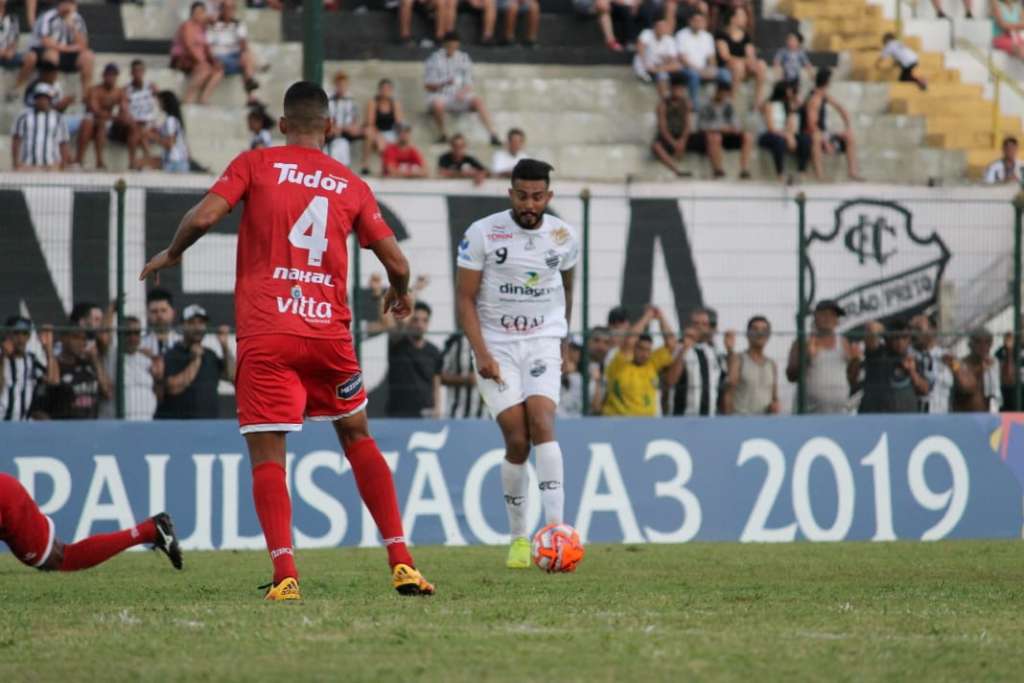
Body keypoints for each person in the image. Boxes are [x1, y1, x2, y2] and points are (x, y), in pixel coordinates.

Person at [139, 80, 435, 600]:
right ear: (330, 127)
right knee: (357, 437)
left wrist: (174, 251)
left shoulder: (256, 164)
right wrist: (400, 290)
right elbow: (397, 261)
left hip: (268, 331)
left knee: (268, 453)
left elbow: (205, 215)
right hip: (328, 334)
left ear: (281, 125)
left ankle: (286, 575)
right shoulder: (350, 183)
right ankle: (403, 563)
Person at [456, 158, 578, 569]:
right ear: (511, 194)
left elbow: (567, 286)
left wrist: (563, 340)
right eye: (522, 196)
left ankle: (557, 532)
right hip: (497, 345)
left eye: (537, 197)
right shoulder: (483, 233)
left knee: (543, 421)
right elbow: (464, 299)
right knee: (518, 440)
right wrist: (482, 353)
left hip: (542, 340)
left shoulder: (563, 236)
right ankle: (519, 538)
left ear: (548, 196)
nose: (530, 204)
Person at [0, 472, 182, 572]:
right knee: (59, 558)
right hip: (5, 487)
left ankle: (148, 531)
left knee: (58, 560)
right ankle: (150, 530)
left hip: (5, 497)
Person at [154, 304, 234, 419]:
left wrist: (225, 347)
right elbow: (173, 388)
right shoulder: (171, 355)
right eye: (192, 323)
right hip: (178, 424)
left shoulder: (210, 355)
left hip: (209, 424)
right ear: (182, 326)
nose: (197, 327)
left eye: (201, 323)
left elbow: (232, 376)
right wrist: (195, 361)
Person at [424, 32, 501, 146]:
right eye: (449, 46)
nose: (452, 49)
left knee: (478, 101)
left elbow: (469, 82)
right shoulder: (434, 59)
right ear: (444, 45)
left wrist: (463, 92)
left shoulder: (464, 58)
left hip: (459, 96)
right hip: (440, 95)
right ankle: (443, 134)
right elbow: (428, 86)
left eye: (454, 46)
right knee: (437, 104)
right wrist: (444, 83)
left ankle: (493, 134)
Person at [602, 305, 677, 416]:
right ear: (633, 348)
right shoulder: (618, 361)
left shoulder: (651, 363)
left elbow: (671, 344)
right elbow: (629, 341)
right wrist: (647, 316)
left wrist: (661, 317)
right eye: (640, 349)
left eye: (648, 350)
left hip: (648, 422)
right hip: (619, 421)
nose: (645, 354)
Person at [786, 299, 854, 414]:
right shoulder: (802, 342)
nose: (828, 318)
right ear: (815, 317)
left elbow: (852, 378)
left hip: (839, 414)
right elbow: (791, 376)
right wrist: (807, 358)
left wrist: (856, 361)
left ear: (837, 321)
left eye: (833, 315)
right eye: (824, 314)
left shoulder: (844, 343)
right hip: (809, 415)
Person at [35, 320, 111, 420]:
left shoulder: (90, 365)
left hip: (91, 426)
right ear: (63, 339)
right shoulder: (54, 366)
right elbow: (38, 410)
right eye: (76, 338)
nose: (81, 343)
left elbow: (107, 392)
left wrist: (95, 360)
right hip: (65, 426)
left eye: (84, 339)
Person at [851, 319, 929, 414]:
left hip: (907, 419)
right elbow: (872, 327)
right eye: (896, 337)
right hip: (876, 418)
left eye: (904, 337)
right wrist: (887, 331)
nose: (900, 342)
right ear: (888, 339)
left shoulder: (913, 358)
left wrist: (912, 372)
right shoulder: (877, 354)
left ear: (909, 339)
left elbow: (925, 389)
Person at [18, 0, 94, 95]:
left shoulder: (77, 19)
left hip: (67, 53)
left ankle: (86, 95)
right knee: (52, 55)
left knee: (88, 56)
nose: (67, 6)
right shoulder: (48, 17)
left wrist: (73, 28)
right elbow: (46, 42)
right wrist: (69, 48)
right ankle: (47, 92)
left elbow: (84, 44)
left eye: (70, 3)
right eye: (65, 3)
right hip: (45, 51)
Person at [383, 301, 443, 418]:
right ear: (409, 321)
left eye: (424, 320)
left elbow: (436, 382)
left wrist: (437, 408)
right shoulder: (396, 344)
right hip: (398, 414)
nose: (420, 325)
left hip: (426, 413)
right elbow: (390, 323)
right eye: (415, 320)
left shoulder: (434, 351)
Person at [803, 67, 863, 181]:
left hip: (822, 132)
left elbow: (841, 109)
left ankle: (852, 172)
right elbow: (812, 125)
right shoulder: (814, 99)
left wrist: (847, 127)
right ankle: (820, 175)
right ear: (827, 82)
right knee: (817, 137)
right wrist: (825, 141)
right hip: (812, 133)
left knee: (849, 137)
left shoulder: (824, 96)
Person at [98, 315, 161, 421]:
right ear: (119, 334)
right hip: (117, 425)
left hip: (145, 423)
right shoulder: (111, 354)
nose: (133, 338)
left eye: (136, 333)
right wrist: (112, 308)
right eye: (128, 333)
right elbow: (102, 337)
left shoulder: (145, 359)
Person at [692, 81, 753, 179]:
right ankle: (718, 170)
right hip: (709, 137)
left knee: (748, 136)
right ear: (717, 92)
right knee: (716, 137)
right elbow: (701, 125)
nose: (724, 95)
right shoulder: (706, 105)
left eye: (726, 93)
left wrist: (733, 128)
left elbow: (736, 122)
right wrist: (719, 128)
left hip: (727, 136)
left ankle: (744, 170)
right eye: (722, 92)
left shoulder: (728, 106)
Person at [667, 307, 720, 416]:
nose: (699, 327)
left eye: (704, 324)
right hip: (683, 417)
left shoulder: (714, 352)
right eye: (696, 323)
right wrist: (684, 349)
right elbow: (670, 380)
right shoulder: (679, 348)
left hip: (709, 418)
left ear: (709, 327)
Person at [1, 316, 55, 421]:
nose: (21, 339)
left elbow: (51, 380)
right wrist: (2, 359)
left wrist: (48, 349)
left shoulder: (31, 360)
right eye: (16, 333)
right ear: (7, 335)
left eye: (25, 333)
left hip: (23, 423)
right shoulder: (2, 359)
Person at [723, 315, 779, 415]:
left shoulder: (771, 364)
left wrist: (775, 406)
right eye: (755, 329)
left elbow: (774, 397)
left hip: (765, 421)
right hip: (741, 420)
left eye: (764, 330)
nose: (760, 333)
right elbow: (729, 392)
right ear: (748, 334)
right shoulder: (738, 359)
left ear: (768, 335)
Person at [170, 1, 224, 105]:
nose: (199, 15)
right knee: (205, 68)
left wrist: (214, 62)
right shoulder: (187, 26)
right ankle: (187, 98)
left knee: (219, 70)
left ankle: (204, 98)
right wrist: (201, 61)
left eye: (202, 12)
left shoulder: (203, 28)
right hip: (184, 59)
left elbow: (207, 48)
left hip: (198, 60)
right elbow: (188, 46)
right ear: (192, 13)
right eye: (197, 12)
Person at [205, 0, 260, 97]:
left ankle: (251, 94)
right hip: (219, 57)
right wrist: (214, 61)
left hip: (234, 56)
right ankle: (204, 98)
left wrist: (243, 53)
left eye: (232, 8)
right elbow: (208, 46)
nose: (229, 11)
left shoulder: (238, 24)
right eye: (227, 8)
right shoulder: (213, 25)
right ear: (222, 9)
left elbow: (243, 43)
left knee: (246, 58)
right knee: (220, 70)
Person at [11, 84, 70, 171]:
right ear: (34, 99)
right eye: (39, 97)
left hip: (51, 166)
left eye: (45, 98)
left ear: (50, 100)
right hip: (27, 166)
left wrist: (63, 165)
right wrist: (16, 163)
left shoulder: (58, 118)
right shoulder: (23, 116)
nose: (42, 101)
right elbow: (16, 140)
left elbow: (63, 142)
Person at [757, 80, 807, 181]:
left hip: (783, 133)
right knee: (779, 141)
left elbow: (791, 124)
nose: (790, 92)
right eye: (788, 89)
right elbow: (771, 127)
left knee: (805, 139)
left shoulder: (787, 105)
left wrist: (791, 135)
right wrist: (787, 136)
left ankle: (801, 171)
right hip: (769, 134)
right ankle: (780, 173)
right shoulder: (769, 104)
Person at [675, 11, 727, 108]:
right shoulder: (681, 35)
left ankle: (724, 105)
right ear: (690, 21)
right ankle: (695, 107)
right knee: (694, 75)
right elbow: (682, 58)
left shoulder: (707, 36)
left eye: (701, 21)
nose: (699, 23)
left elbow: (711, 57)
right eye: (696, 21)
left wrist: (711, 68)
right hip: (687, 69)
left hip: (703, 69)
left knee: (725, 74)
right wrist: (698, 70)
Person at [75, 62, 122, 169]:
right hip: (95, 119)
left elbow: (124, 109)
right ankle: (79, 160)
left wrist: (116, 116)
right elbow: (94, 110)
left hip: (108, 122)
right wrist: (111, 116)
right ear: (104, 75)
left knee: (102, 124)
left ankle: (99, 161)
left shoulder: (119, 92)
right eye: (109, 74)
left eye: (113, 75)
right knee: (87, 123)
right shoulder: (95, 90)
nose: (111, 78)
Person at [117, 60, 161, 171]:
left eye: (140, 70)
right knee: (136, 129)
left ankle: (138, 162)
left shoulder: (151, 87)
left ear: (144, 72)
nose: (138, 73)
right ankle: (139, 161)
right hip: (133, 123)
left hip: (149, 123)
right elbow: (123, 108)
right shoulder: (125, 89)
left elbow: (160, 104)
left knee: (141, 130)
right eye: (135, 70)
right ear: (131, 72)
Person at [715, 6, 764, 104]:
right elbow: (725, 56)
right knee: (738, 66)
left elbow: (750, 55)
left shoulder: (746, 36)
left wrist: (750, 62)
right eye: (742, 16)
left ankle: (757, 101)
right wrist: (743, 61)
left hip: (743, 65)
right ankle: (732, 100)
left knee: (761, 65)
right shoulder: (721, 34)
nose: (745, 19)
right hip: (728, 66)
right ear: (732, 19)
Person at [910, 313, 954, 414]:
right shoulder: (908, 355)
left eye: (918, 329)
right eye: (911, 329)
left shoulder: (945, 355)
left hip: (941, 414)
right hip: (915, 415)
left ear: (933, 330)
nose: (914, 333)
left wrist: (955, 366)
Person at [651, 74, 693, 177]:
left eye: (681, 89)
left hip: (682, 135)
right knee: (656, 146)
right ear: (671, 89)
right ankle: (677, 170)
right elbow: (662, 128)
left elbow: (688, 125)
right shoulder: (663, 105)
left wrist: (683, 140)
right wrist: (674, 144)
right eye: (677, 89)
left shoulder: (686, 103)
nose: (679, 91)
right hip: (668, 136)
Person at [951, 328, 1001, 412]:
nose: (983, 346)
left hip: (988, 415)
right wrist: (981, 369)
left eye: (987, 342)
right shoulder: (959, 364)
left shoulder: (993, 363)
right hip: (964, 415)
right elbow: (966, 388)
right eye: (978, 342)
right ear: (970, 344)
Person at [441, 331, 488, 418]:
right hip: (457, 414)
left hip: (485, 416)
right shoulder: (455, 342)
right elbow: (439, 376)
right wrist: (464, 380)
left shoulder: (494, 342)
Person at [363, 78, 404, 175]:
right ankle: (365, 164)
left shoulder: (395, 103)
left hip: (391, 132)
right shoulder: (373, 103)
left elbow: (399, 123)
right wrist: (379, 135)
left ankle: (389, 166)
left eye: (388, 89)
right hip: (377, 132)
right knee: (370, 133)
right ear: (379, 90)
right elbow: (370, 123)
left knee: (396, 139)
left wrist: (400, 138)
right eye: (383, 89)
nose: (385, 91)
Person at [634, 19, 683, 97]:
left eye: (664, 27)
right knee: (663, 74)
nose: (662, 29)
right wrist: (647, 64)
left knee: (678, 67)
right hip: (644, 67)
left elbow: (673, 59)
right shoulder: (647, 33)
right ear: (654, 27)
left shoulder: (669, 39)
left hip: (660, 67)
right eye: (660, 27)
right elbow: (640, 48)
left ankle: (671, 96)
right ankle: (665, 97)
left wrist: (658, 67)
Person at [326, 70, 363, 167]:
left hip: (346, 130)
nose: (341, 88)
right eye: (339, 85)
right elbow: (328, 117)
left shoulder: (351, 100)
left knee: (343, 142)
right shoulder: (329, 99)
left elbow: (355, 120)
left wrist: (345, 128)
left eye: (343, 85)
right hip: (333, 130)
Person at [156, 90, 190, 173]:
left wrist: (152, 136)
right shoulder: (175, 120)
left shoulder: (170, 120)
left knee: (140, 162)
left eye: (160, 102)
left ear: (165, 103)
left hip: (174, 163)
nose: (158, 104)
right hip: (180, 162)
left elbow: (170, 144)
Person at [141, 287, 181, 356]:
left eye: (163, 310)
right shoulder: (141, 345)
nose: (159, 315)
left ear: (173, 313)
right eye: (154, 311)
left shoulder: (181, 342)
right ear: (147, 314)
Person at [997, 324, 1023, 411]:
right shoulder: (1003, 351)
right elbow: (1008, 379)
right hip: (1011, 405)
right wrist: (1009, 351)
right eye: (1021, 328)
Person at [0, 0, 23, 76]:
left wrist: (11, 50)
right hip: (2, 53)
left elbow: (15, 38)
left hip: (7, 54)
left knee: (29, 58)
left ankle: (20, 83)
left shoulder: (12, 17)